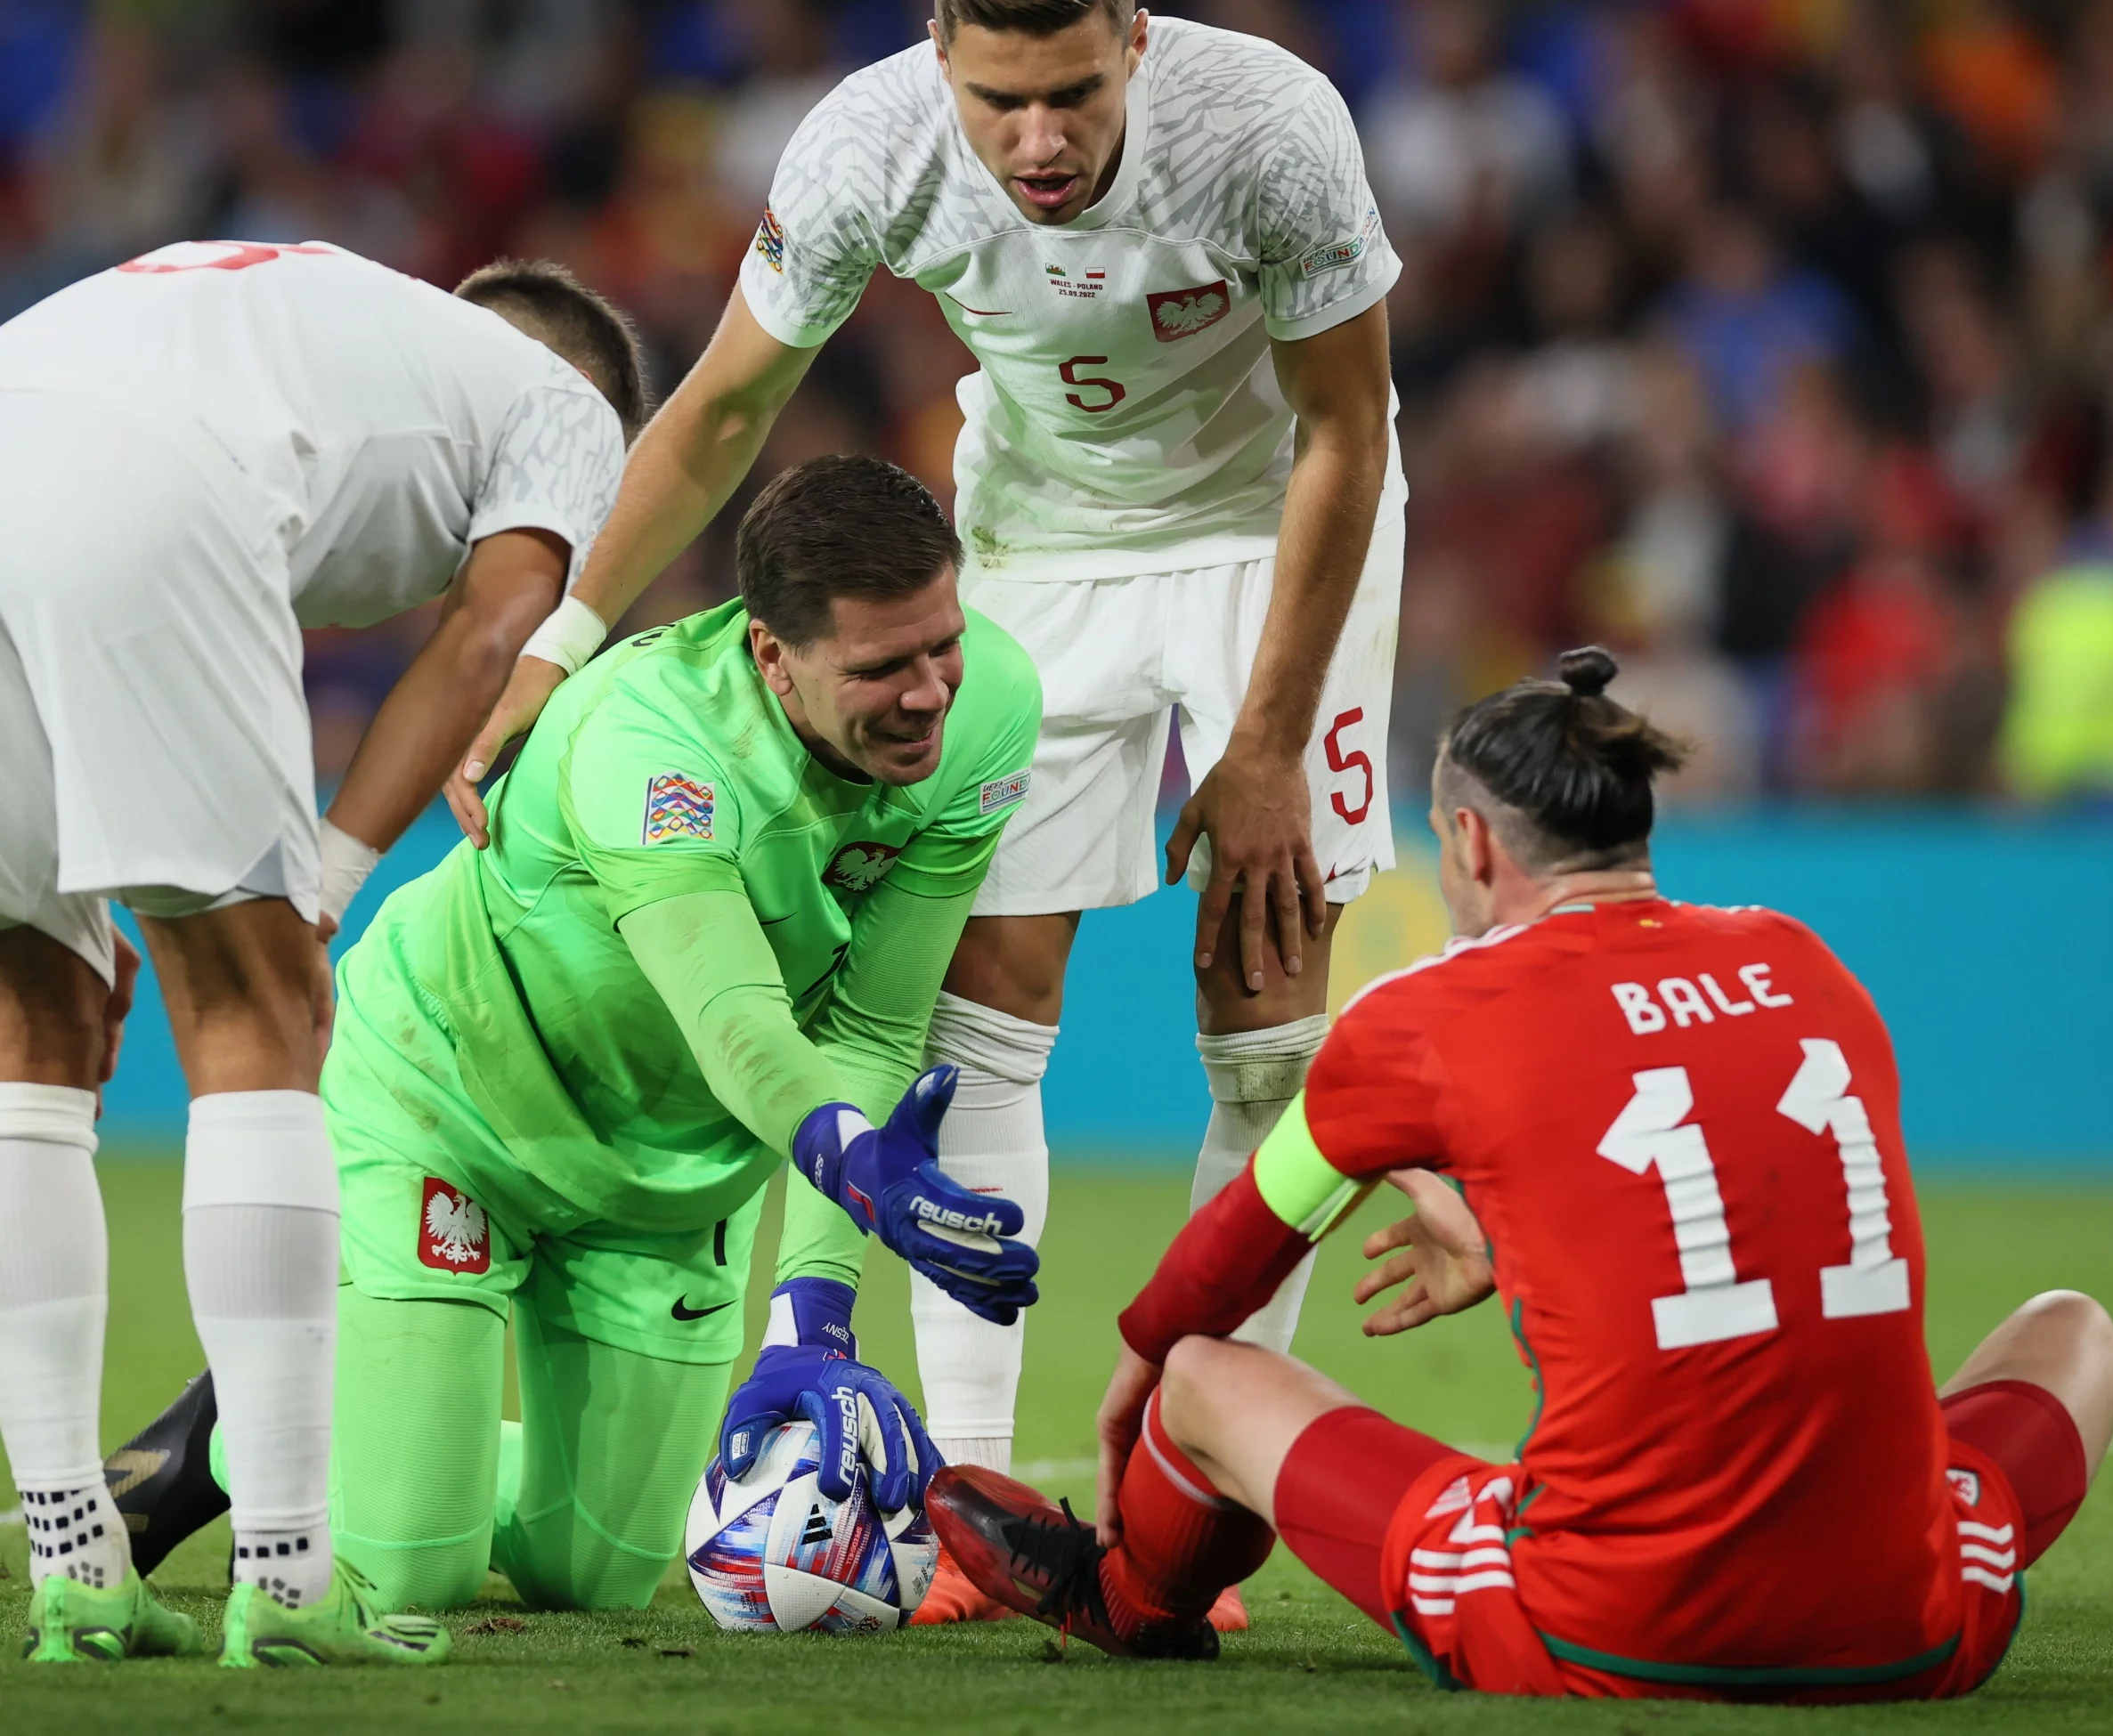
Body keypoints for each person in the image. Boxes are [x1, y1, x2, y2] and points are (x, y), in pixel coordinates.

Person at [444, 2, 1403, 1620]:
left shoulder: (1269, 125)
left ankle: (1194, 1515)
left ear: (1134, 44)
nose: (1040, 141)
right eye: (999, 100)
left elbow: (1345, 426)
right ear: (941, 53)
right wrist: (558, 644)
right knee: (980, 1020)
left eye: (1076, 95)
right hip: (1034, 550)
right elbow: (726, 411)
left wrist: (1266, 740)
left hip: (1275, 540)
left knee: (1265, 1031)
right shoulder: (868, 141)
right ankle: (976, 1497)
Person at [928, 648, 2113, 1700]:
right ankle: (1876, 1547)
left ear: (1468, 840)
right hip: (1917, 1628)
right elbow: (1754, 1190)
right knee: (2079, 1331)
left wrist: (1137, 1376)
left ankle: (1129, 1597)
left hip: (1614, 1623)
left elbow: (1221, 1264)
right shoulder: (1800, 956)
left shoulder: (1425, 1014)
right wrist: (1526, 1233)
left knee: (1204, 1372)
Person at [103, 455, 1044, 1627]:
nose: (930, 696)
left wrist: (816, 1309)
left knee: (590, 1573)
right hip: (452, 1107)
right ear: (770, 653)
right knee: (415, 1574)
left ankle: (376, 1423)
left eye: (941, 644)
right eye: (881, 667)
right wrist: (859, 1164)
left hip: (675, 1167)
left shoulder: (995, 703)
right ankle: (231, 1436)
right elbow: (737, 1018)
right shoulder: (646, 742)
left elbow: (870, 1024)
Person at [0, 241, 643, 1667]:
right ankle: (290, 1579)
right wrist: (326, 893)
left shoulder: (298, 322)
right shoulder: (569, 407)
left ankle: (74, 1562)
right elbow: (493, 633)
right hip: (147, 484)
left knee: (31, 1036)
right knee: (257, 1014)